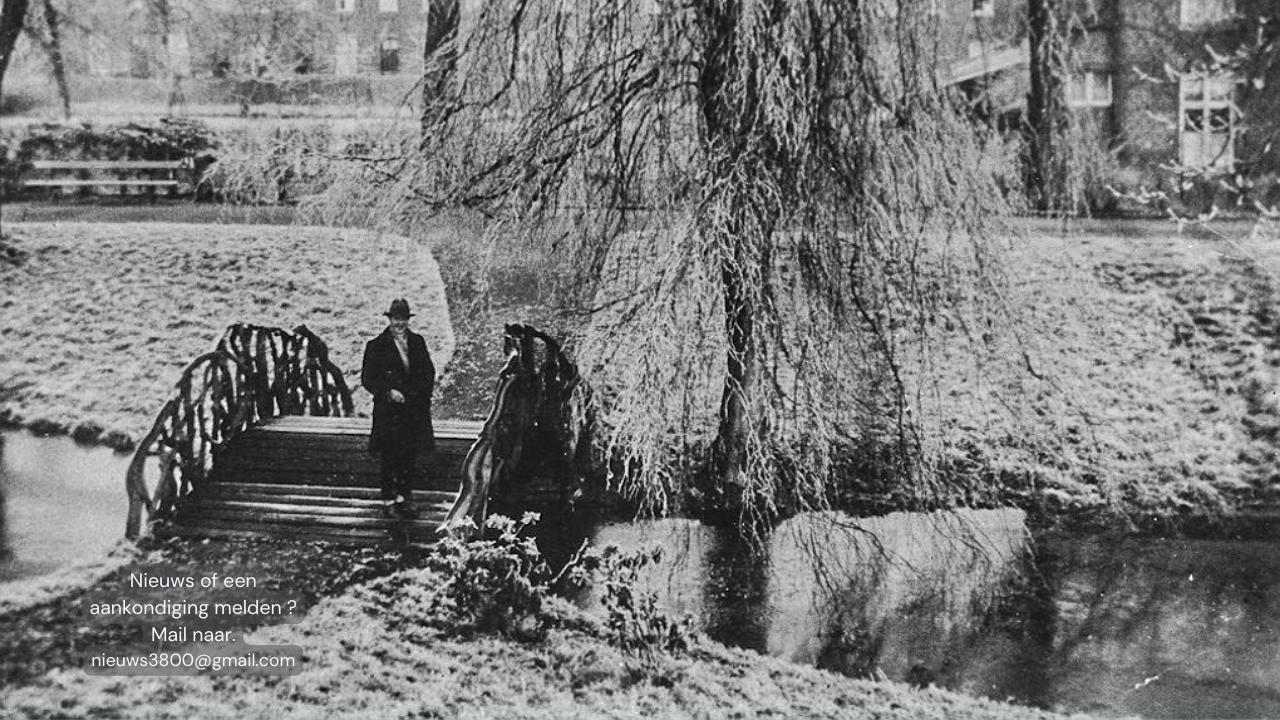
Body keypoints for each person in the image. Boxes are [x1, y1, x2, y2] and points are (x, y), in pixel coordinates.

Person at [361, 298, 436, 519]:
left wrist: (415, 395)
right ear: (389, 319)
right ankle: (389, 500)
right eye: (395, 319)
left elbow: (428, 373)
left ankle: (404, 498)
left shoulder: (417, 342)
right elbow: (368, 378)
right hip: (389, 413)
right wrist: (388, 392)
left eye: (403, 319)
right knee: (389, 456)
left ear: (407, 320)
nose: (399, 323)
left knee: (408, 456)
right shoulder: (376, 346)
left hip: (412, 411)